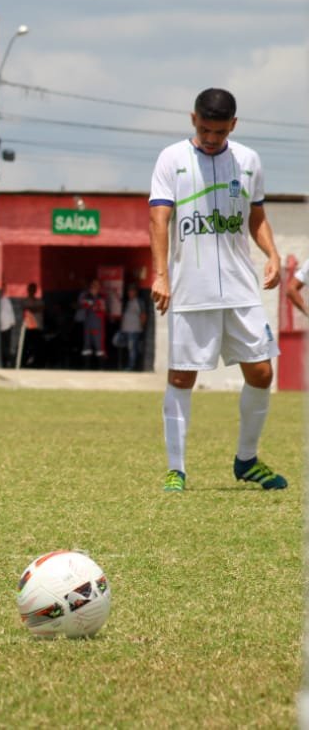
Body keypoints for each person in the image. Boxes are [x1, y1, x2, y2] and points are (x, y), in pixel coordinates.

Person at [150, 87, 284, 493]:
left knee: (262, 372)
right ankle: (177, 469)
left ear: (234, 126)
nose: (211, 139)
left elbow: (256, 215)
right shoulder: (171, 159)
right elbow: (159, 220)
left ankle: (246, 460)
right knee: (181, 375)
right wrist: (161, 274)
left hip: (242, 288)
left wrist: (272, 253)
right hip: (192, 287)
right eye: (206, 130)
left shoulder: (248, 160)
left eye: (220, 132)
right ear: (193, 119)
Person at [77, 278, 108, 368]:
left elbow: (103, 309)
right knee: (87, 345)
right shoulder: (86, 296)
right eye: (93, 285)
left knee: (99, 346)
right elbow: (81, 304)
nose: (94, 287)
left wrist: (95, 306)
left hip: (98, 324)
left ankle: (101, 368)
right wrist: (91, 304)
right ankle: (87, 368)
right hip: (88, 323)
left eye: (96, 285)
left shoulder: (102, 296)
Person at [118, 285, 147, 371]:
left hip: (134, 330)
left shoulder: (139, 301)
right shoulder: (128, 302)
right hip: (125, 330)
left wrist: (141, 326)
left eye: (131, 291)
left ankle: (131, 366)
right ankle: (127, 365)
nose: (129, 293)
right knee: (126, 347)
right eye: (129, 291)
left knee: (132, 349)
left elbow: (143, 315)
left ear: (135, 292)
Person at [20, 282, 45, 367]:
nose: (32, 291)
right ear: (28, 290)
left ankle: (37, 363)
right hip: (28, 326)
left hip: (38, 326)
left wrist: (32, 309)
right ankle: (25, 363)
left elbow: (40, 308)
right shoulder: (25, 301)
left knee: (37, 346)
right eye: (31, 289)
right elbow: (26, 309)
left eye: (34, 289)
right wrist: (34, 309)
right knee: (27, 346)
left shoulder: (39, 301)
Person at [0, 291, 16, 367]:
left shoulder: (5, 300)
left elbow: (10, 312)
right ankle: (7, 362)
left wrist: (12, 322)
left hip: (6, 326)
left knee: (5, 346)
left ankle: (8, 362)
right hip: (4, 326)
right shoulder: (3, 300)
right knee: (4, 346)